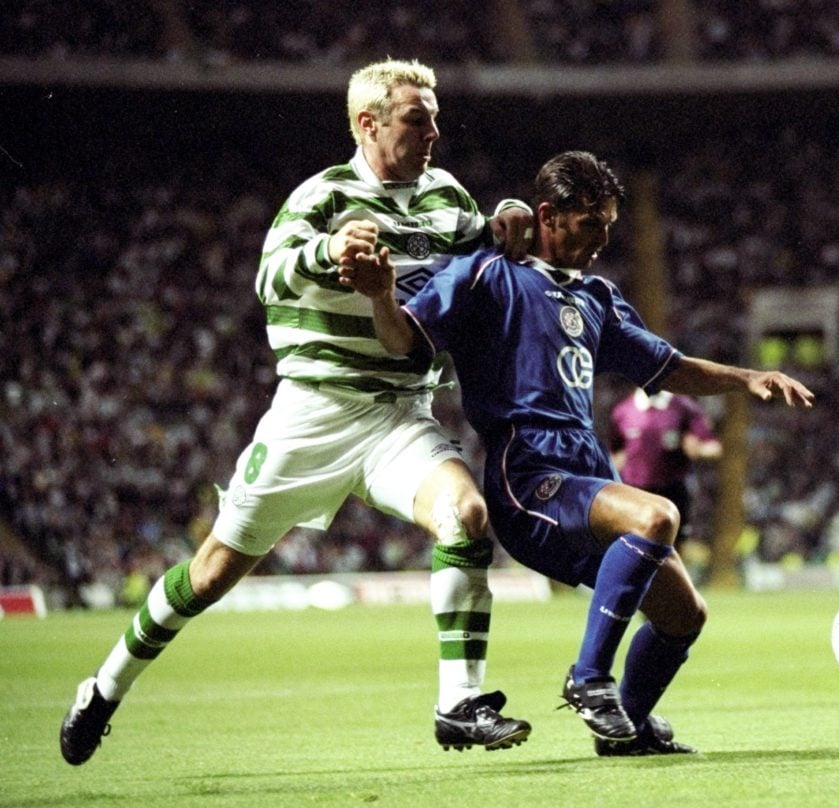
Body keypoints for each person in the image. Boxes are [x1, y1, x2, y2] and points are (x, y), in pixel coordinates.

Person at [59, 58, 535, 766]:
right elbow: (268, 276)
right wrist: (327, 249)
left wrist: (505, 232)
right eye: (418, 118)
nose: (435, 130)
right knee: (212, 573)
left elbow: (472, 275)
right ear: (368, 123)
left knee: (465, 515)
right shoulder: (323, 195)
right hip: (313, 415)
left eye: (433, 117)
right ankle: (103, 686)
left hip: (398, 414)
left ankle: (458, 704)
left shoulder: (448, 198)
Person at [341, 150, 815, 756]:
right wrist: (382, 297)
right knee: (657, 517)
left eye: (610, 224)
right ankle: (589, 679)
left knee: (683, 615)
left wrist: (743, 377)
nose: (602, 237)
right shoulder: (486, 274)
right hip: (529, 473)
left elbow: (668, 367)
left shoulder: (596, 295)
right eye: (591, 222)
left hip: (588, 472)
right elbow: (405, 341)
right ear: (549, 215)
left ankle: (628, 731)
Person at [608, 388, 722, 550]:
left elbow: (714, 447)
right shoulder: (623, 411)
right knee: (633, 549)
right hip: (635, 494)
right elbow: (615, 454)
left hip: (672, 494)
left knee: (673, 550)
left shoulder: (683, 407)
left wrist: (699, 449)